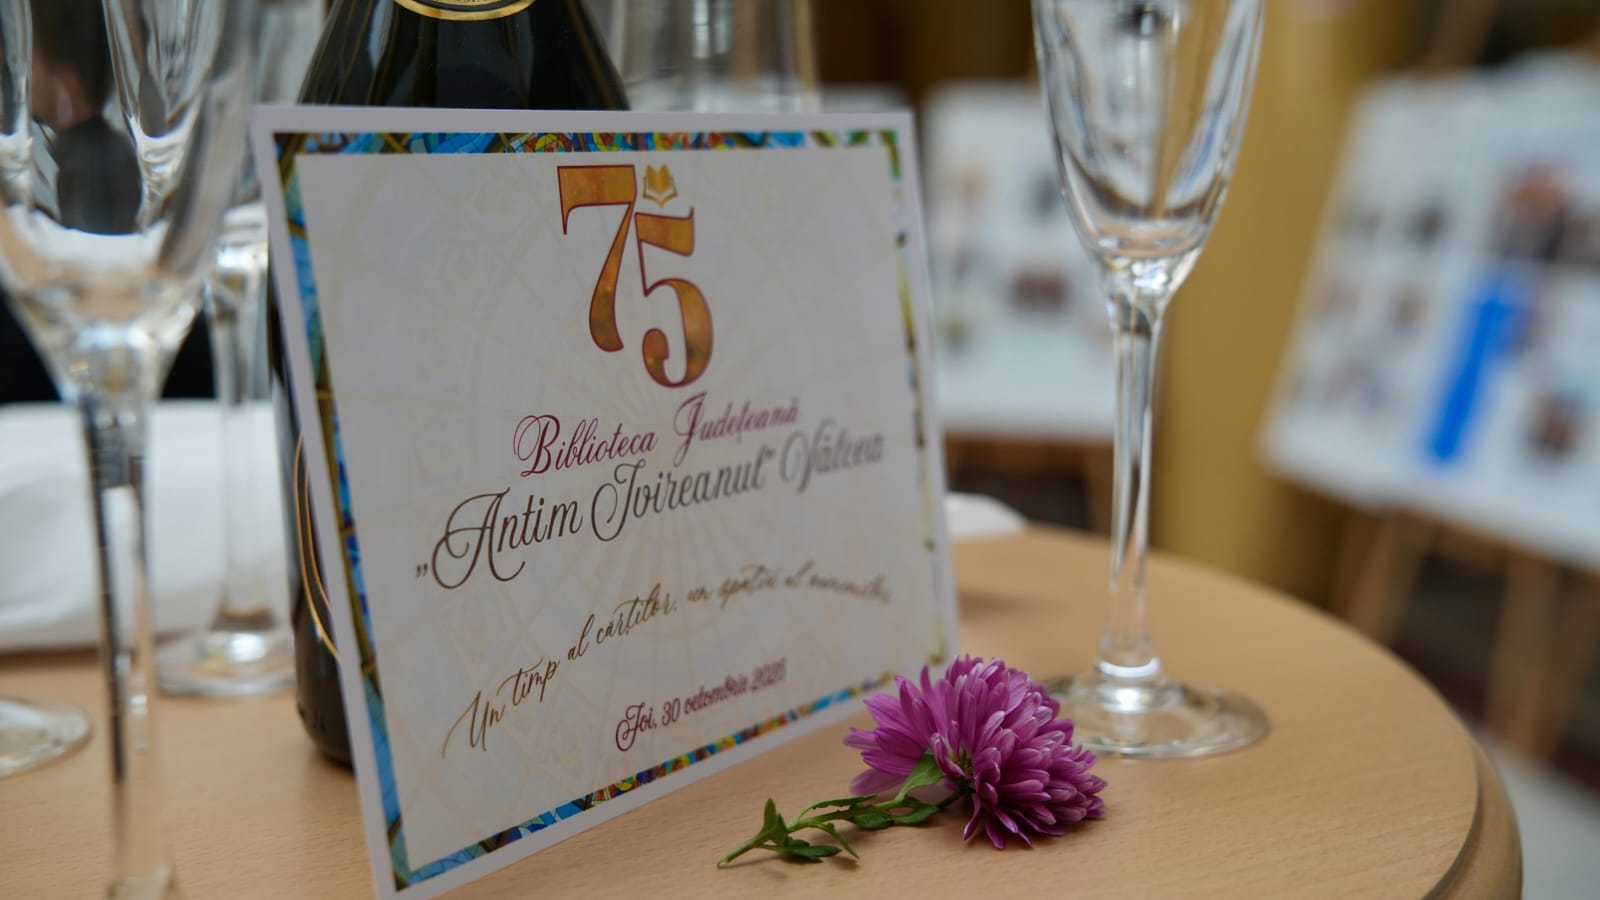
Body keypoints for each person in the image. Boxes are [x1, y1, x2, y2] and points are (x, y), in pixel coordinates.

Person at [0, 0, 211, 403]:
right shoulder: (83, 154)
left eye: (28, 62)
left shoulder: (84, 164)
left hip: (119, 376)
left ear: (67, 83)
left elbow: (96, 292)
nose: (15, 72)